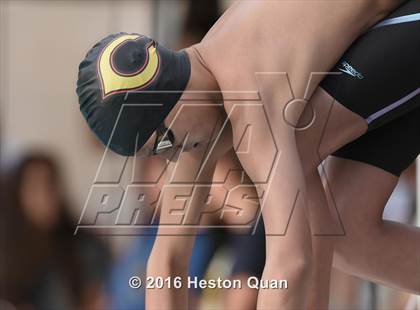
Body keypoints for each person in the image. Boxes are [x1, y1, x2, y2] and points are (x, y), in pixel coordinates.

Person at [76, 1, 416, 308]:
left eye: (164, 142)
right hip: (387, 42)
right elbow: (166, 262)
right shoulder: (193, 111)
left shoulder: (248, 97)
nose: (171, 155)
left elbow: (290, 261)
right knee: (348, 233)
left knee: (300, 146)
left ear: (173, 101)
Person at [0, 154, 110, 310]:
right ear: (19, 195)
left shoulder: (86, 247)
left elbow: (101, 300)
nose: (45, 195)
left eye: (50, 184)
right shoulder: (8, 252)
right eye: (35, 187)